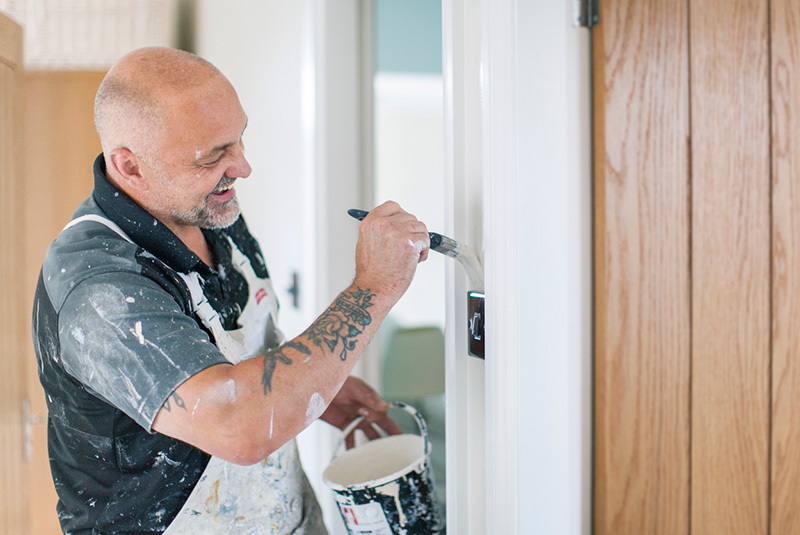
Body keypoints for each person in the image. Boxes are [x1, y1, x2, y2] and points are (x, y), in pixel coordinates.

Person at [31, 46, 430, 535]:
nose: (242, 167)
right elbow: (238, 427)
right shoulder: (100, 286)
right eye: (212, 157)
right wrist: (375, 286)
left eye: (239, 139)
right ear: (130, 167)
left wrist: (318, 389)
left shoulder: (206, 211)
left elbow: (236, 351)